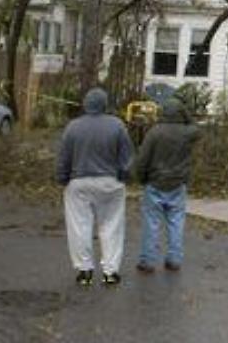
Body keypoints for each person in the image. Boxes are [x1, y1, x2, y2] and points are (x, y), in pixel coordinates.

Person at [55, 87, 133, 287]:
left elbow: (64, 158)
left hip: (79, 181)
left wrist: (62, 179)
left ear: (85, 105)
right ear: (105, 104)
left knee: (79, 226)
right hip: (110, 182)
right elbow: (126, 158)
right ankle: (110, 271)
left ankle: (84, 270)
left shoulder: (73, 127)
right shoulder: (117, 126)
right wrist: (124, 177)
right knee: (111, 226)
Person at [132, 97, 203, 273]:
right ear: (181, 113)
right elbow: (198, 128)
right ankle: (174, 259)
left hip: (155, 183)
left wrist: (141, 178)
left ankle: (147, 261)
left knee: (152, 223)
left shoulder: (154, 132)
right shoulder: (187, 133)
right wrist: (186, 115)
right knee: (176, 223)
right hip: (178, 184)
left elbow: (142, 160)